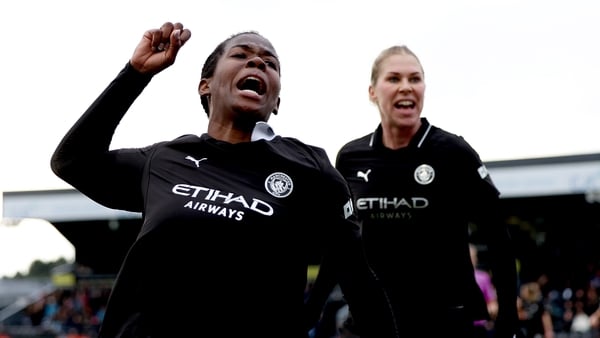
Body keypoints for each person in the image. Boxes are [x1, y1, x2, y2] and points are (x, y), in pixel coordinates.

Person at [50, 22, 398, 338]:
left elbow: (361, 284)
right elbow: (71, 162)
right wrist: (135, 74)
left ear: (276, 101)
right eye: (241, 55)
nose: (258, 63)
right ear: (206, 85)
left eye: (270, 63)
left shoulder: (310, 167)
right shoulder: (164, 159)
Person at [332, 45, 520, 337]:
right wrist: (312, 307)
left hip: (442, 321)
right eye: (394, 79)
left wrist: (509, 318)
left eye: (415, 79)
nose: (406, 87)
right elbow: (340, 242)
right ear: (372, 92)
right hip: (370, 320)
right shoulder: (350, 157)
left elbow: (498, 238)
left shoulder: (454, 152)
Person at [471, 243, 499, 337]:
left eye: (474, 256)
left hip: (479, 327)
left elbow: (492, 304)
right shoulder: (483, 277)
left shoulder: (483, 277)